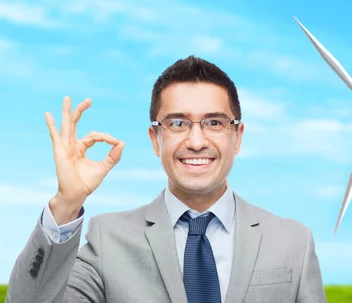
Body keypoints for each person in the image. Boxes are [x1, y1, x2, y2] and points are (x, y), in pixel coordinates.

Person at [6, 56, 327, 303]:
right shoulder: (109, 240)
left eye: (214, 122)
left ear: (237, 137)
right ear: (155, 139)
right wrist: (67, 203)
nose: (196, 141)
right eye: (177, 123)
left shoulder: (293, 243)